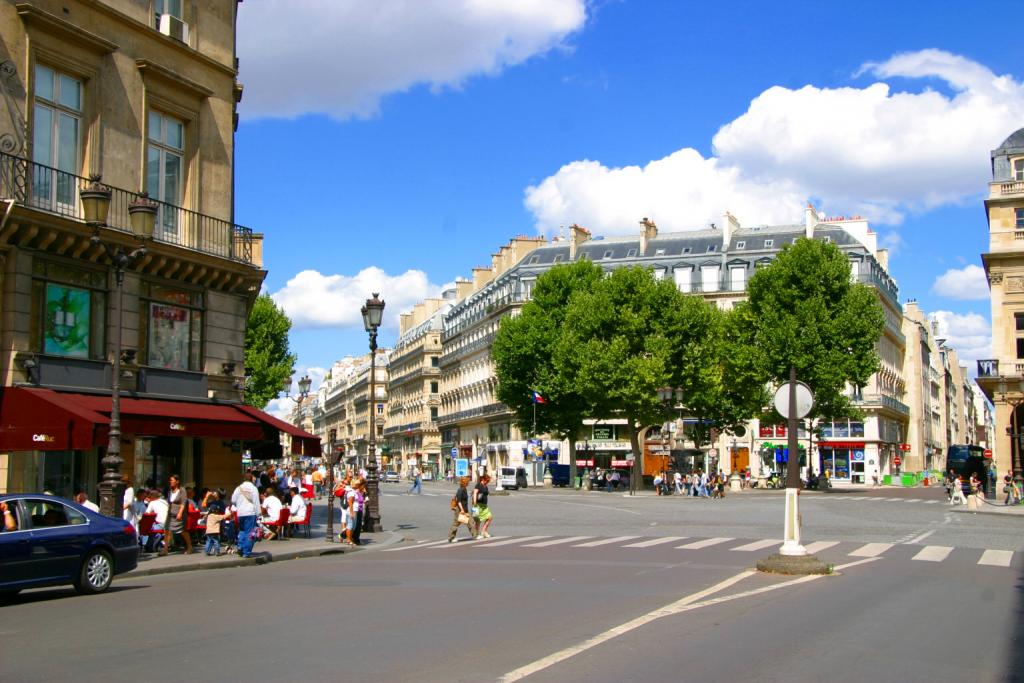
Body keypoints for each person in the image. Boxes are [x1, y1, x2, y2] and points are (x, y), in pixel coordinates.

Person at [231, 471, 262, 559]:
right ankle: (246, 552)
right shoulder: (253, 488)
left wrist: (239, 504)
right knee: (249, 532)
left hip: (240, 513)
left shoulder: (238, 488)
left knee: (242, 531)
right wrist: (259, 514)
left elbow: (233, 500)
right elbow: (256, 502)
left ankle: (240, 547)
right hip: (250, 513)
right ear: (252, 479)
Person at [165, 475, 193, 554]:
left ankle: (189, 546)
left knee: (182, 531)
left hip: (179, 514)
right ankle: (165, 549)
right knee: (167, 530)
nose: (170, 482)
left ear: (177, 481)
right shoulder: (170, 491)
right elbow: (169, 502)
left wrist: (180, 513)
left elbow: (183, 502)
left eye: (172, 480)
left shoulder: (182, 490)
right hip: (170, 514)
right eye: (170, 480)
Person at [448, 476, 476, 543]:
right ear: (465, 482)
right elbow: (459, 501)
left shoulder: (464, 489)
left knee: (470, 522)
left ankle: (475, 535)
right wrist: (462, 510)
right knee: (456, 524)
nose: (468, 483)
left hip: (464, 509)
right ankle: (451, 538)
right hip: (460, 510)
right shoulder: (461, 490)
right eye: (467, 482)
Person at [144, 489, 170, 554]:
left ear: (152, 497)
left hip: (161, 524)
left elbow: (146, 514)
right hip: (169, 523)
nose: (149, 498)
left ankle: (149, 546)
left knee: (149, 529)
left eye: (149, 497)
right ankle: (159, 544)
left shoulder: (152, 503)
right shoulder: (164, 501)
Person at [202, 490, 226, 556]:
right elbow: (203, 505)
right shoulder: (215, 502)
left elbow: (203, 505)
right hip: (215, 526)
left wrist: (207, 496)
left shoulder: (218, 503)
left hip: (213, 525)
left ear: (218, 495)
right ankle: (217, 552)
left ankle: (207, 551)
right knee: (216, 540)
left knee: (210, 540)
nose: (213, 492)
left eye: (215, 492)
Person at [346, 478, 365, 546]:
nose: (358, 485)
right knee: (350, 526)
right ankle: (348, 539)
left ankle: (350, 539)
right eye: (357, 484)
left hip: (355, 510)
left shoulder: (354, 492)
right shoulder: (351, 492)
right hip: (353, 510)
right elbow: (350, 503)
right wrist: (351, 512)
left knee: (353, 526)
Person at [473, 474, 493, 539]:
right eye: (487, 481)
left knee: (490, 517)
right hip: (478, 505)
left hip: (484, 506)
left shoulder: (485, 486)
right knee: (478, 520)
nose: (487, 482)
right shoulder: (478, 485)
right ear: (483, 479)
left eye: (488, 481)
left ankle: (483, 531)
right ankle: (476, 534)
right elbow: (475, 493)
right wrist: (475, 503)